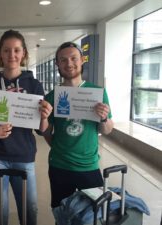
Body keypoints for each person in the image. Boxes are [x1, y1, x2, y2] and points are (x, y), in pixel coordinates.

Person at [0, 29, 52, 225]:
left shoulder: (34, 85)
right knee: (0, 215)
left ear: (24, 53)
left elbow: (41, 130)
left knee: (30, 212)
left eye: (16, 50)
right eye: (6, 50)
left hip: (24, 156)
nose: (12, 55)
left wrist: (45, 116)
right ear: (0, 54)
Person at [43, 42, 114, 209]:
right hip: (59, 166)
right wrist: (57, 145)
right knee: (62, 214)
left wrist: (104, 118)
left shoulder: (97, 93)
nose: (69, 63)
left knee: (93, 214)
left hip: (89, 166)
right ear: (57, 64)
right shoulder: (52, 96)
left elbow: (107, 130)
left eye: (74, 58)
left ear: (82, 60)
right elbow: (47, 132)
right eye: (63, 60)